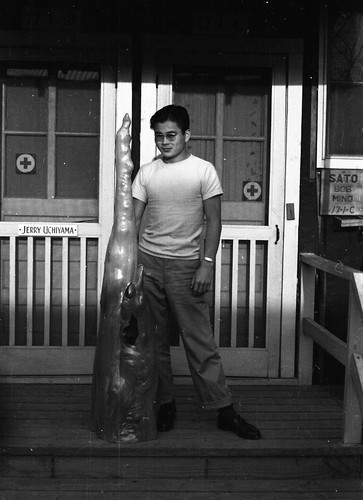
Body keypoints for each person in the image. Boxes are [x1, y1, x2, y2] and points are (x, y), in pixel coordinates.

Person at [132, 104, 261, 440]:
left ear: (186, 135)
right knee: (154, 340)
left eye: (171, 135)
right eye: (159, 136)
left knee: (199, 341)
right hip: (148, 263)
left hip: (187, 267)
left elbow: (214, 221)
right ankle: (165, 403)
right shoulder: (146, 173)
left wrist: (206, 263)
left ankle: (224, 410)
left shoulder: (204, 171)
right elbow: (132, 220)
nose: (164, 141)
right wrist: (130, 262)